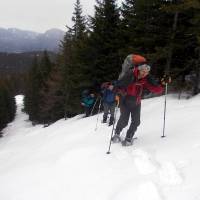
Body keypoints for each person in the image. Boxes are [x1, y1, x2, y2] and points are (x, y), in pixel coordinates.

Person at [112, 63, 164, 146]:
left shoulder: (145, 80)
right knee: (124, 121)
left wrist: (163, 84)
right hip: (125, 102)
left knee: (136, 122)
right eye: (143, 71)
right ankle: (117, 133)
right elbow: (119, 85)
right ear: (139, 70)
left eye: (146, 72)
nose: (144, 73)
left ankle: (128, 138)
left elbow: (155, 89)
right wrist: (117, 92)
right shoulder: (130, 76)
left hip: (136, 103)